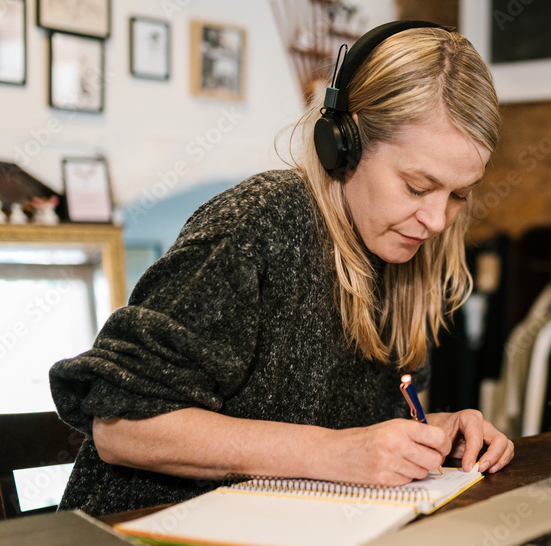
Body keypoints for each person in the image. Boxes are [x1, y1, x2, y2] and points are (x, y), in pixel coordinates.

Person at [50, 21, 514, 517]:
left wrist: (435, 432)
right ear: (344, 144)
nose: (438, 219)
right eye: (418, 187)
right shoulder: (261, 221)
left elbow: (362, 430)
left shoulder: (403, 253)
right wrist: (339, 454)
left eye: (459, 195)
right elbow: (123, 430)